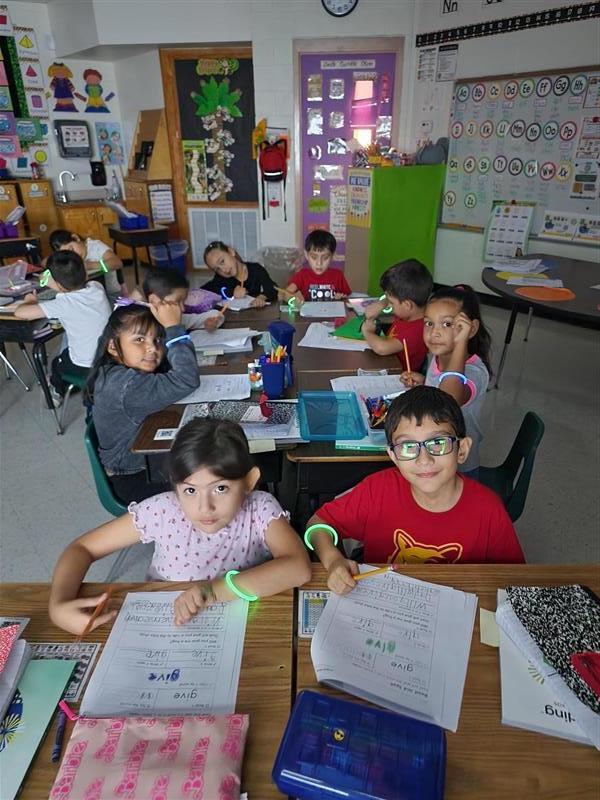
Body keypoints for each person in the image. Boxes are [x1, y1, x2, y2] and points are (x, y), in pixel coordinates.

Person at [48, 417, 312, 634]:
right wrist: (58, 604)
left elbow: (298, 567)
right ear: (175, 486)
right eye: (189, 491)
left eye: (220, 488)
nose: (204, 507)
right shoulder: (163, 511)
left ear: (249, 481)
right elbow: (82, 548)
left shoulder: (260, 508)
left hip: (242, 626)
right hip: (166, 629)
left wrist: (211, 591)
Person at [306, 386, 524, 594]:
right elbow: (317, 523)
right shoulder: (378, 491)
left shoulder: (488, 510)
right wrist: (333, 560)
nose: (424, 459)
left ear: (462, 449)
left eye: (438, 443)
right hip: (385, 606)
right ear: (393, 456)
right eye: (408, 447)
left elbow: (515, 578)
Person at [85, 302, 200, 504]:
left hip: (140, 464)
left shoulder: (114, 372)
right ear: (113, 346)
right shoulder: (128, 385)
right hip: (136, 478)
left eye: (157, 340)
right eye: (139, 339)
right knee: (217, 477)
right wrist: (174, 328)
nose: (152, 348)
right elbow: (186, 379)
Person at [402, 284, 492, 478]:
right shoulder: (437, 357)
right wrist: (424, 384)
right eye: (429, 323)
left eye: (447, 324)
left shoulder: (475, 372)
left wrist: (461, 342)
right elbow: (440, 388)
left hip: (460, 468)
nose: (434, 332)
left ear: (471, 329)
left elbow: (447, 400)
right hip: (433, 457)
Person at [12, 251, 110, 405]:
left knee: (57, 363)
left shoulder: (64, 303)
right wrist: (57, 285)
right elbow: (75, 288)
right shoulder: (97, 287)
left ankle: (57, 392)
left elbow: (21, 313)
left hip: (86, 366)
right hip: (109, 359)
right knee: (66, 350)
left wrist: (30, 300)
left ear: (58, 284)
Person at [361, 259, 432, 370]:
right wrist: (381, 304)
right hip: (389, 362)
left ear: (407, 305)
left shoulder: (418, 330)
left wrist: (367, 332)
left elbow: (382, 348)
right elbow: (393, 297)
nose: (390, 306)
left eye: (391, 303)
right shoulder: (408, 312)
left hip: (399, 375)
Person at [131, 268, 222, 331]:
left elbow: (215, 314)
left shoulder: (177, 319)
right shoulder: (141, 327)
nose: (183, 309)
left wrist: (212, 321)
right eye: (177, 301)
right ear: (154, 300)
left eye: (184, 301)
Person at [48, 228, 124, 301]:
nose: (73, 255)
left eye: (71, 249)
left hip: (110, 294)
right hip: (87, 295)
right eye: (69, 253)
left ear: (76, 238)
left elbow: (117, 263)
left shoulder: (95, 246)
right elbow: (45, 261)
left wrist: (90, 265)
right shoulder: (70, 258)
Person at [202, 241, 278, 306]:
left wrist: (262, 297)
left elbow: (272, 288)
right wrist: (232, 294)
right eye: (217, 269)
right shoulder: (220, 278)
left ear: (231, 252)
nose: (224, 270)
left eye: (222, 261)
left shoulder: (256, 269)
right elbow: (210, 290)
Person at [286, 230, 351, 304]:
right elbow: (286, 294)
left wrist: (341, 298)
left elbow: (348, 298)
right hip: (307, 314)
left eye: (325, 257)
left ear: (332, 256)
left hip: (330, 314)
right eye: (314, 257)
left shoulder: (338, 275)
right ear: (306, 255)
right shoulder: (301, 275)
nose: (319, 263)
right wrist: (293, 298)